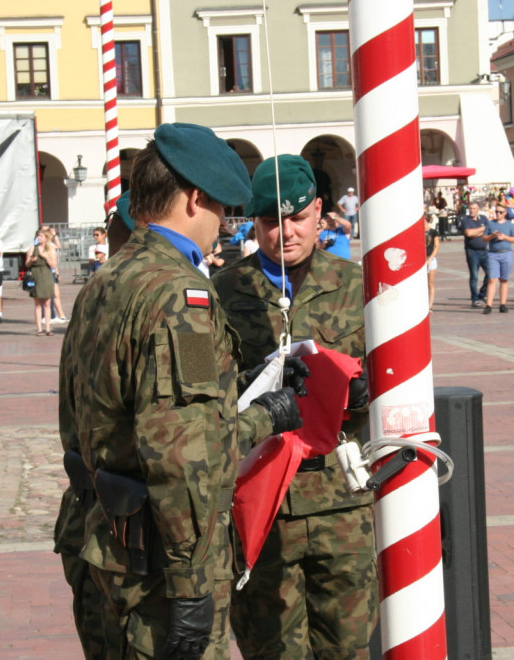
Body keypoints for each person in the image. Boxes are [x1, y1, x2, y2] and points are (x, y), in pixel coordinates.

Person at [57, 124, 304, 660]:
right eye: (222, 209)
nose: (222, 225)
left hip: (101, 538)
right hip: (159, 567)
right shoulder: (180, 295)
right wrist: (269, 415)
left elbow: (102, 409)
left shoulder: (109, 278)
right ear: (195, 199)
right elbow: (184, 450)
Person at [212, 154, 374, 660]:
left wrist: (366, 392)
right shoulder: (224, 292)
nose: (285, 233)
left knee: (347, 647)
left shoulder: (355, 286)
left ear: (320, 213)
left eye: (297, 218)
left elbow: (393, 376)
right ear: (253, 222)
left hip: (341, 503)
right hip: (264, 501)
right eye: (269, 222)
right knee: (273, 650)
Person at [482, 202, 514, 314]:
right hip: (493, 253)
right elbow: (484, 238)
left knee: (504, 279)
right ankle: (489, 305)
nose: (498, 214)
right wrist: (492, 236)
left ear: (505, 213)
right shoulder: (490, 223)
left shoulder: (509, 225)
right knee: (492, 279)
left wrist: (505, 237)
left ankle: (503, 304)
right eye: (496, 211)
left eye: (500, 212)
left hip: (506, 253)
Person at [27, 228, 57, 335]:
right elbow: (26, 264)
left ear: (46, 238)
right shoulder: (32, 249)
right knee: (38, 303)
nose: (39, 238)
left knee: (47, 303)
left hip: (46, 274)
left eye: (41, 236)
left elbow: (54, 265)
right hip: (36, 274)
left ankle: (48, 328)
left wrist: (46, 257)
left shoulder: (51, 249)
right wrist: (31, 260)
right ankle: (39, 328)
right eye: (38, 236)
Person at [460, 201, 490, 308]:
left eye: (474, 208)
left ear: (478, 209)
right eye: (470, 208)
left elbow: (489, 231)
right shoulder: (465, 220)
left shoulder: (483, 219)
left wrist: (476, 232)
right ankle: (475, 298)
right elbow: (468, 233)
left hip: (485, 250)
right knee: (474, 276)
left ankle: (482, 293)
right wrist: (482, 230)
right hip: (472, 251)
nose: (472, 210)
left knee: (491, 273)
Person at [425, 211, 441, 311]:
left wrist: (430, 258)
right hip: (421, 260)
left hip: (430, 259)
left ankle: (430, 305)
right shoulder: (417, 231)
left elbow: (436, 246)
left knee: (430, 283)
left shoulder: (433, 232)